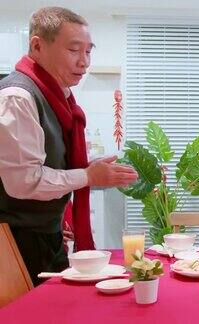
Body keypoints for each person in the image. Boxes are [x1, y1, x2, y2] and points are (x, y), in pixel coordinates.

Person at [0, 7, 138, 285]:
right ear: (37, 46)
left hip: (44, 235)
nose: (84, 61)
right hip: (17, 242)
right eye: (74, 50)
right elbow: (23, 182)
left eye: (89, 51)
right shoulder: (18, 97)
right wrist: (88, 175)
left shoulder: (57, 97)